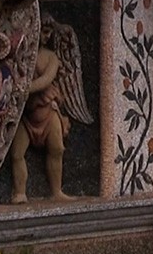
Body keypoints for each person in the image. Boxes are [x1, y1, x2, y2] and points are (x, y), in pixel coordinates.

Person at [10, 13, 92, 203]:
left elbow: (46, 80)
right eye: (44, 32)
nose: (46, 37)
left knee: (57, 150)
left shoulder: (52, 57)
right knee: (17, 153)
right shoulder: (21, 55)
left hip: (48, 114)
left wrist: (23, 89)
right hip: (26, 116)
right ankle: (20, 193)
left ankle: (56, 191)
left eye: (49, 33)